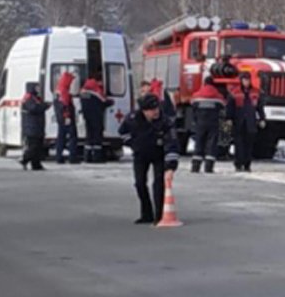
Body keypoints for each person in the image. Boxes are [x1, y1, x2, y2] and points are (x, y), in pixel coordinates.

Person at [118, 94, 180, 224]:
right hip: (141, 155)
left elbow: (172, 144)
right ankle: (146, 214)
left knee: (159, 185)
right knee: (139, 184)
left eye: (156, 108)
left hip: (159, 155)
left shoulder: (166, 121)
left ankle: (160, 215)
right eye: (152, 110)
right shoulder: (133, 119)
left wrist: (170, 167)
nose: (156, 111)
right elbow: (123, 132)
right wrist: (133, 144)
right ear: (144, 111)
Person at [190, 74, 229, 173]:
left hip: (200, 123)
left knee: (199, 143)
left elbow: (192, 107)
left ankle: (195, 166)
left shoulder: (197, 95)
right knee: (211, 144)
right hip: (213, 123)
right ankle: (209, 167)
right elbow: (223, 107)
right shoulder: (218, 96)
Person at [228, 72, 266, 172]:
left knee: (249, 145)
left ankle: (247, 164)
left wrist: (262, 119)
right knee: (239, 144)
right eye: (244, 80)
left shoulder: (256, 92)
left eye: (248, 80)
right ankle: (238, 164)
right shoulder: (235, 92)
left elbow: (260, 107)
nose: (246, 82)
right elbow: (230, 107)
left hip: (250, 123)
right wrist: (229, 119)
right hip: (238, 122)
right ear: (241, 80)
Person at [79, 76, 113, 163]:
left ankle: (87, 157)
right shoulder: (96, 92)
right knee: (97, 137)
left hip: (87, 117)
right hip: (96, 117)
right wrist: (111, 102)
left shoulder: (83, 92)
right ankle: (97, 158)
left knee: (89, 137)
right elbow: (103, 102)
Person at [53, 69, 80, 165]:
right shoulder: (64, 91)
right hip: (66, 119)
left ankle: (59, 156)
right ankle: (72, 157)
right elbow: (65, 106)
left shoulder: (59, 89)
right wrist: (68, 117)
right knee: (72, 137)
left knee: (61, 137)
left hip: (61, 119)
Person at [20, 82, 48, 171]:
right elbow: (33, 108)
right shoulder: (28, 98)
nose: (38, 89)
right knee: (34, 146)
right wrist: (44, 106)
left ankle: (36, 164)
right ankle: (25, 159)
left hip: (37, 126)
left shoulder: (36, 98)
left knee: (39, 146)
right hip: (31, 127)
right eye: (37, 88)